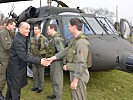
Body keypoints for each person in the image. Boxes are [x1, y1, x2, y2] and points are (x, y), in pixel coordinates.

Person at [47, 18, 92, 100]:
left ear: (74, 27)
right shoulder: (75, 40)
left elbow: (81, 63)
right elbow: (65, 51)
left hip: (79, 76)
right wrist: (52, 58)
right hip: (74, 73)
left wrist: (75, 80)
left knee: (78, 97)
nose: (68, 28)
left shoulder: (81, 42)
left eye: (69, 26)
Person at [5, 22, 48, 100]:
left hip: (16, 69)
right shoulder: (18, 40)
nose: (29, 31)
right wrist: (40, 61)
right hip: (15, 71)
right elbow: (24, 56)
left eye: (29, 29)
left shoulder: (22, 38)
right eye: (26, 29)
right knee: (15, 93)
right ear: (20, 29)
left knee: (10, 92)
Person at [46, 24, 64, 100]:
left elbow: (62, 52)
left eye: (48, 29)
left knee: (57, 80)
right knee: (53, 78)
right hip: (53, 61)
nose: (47, 31)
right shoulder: (53, 38)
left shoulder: (57, 39)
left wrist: (54, 58)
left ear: (53, 29)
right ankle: (55, 94)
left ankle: (58, 98)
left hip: (57, 62)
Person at [0, 19, 16, 100]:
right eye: (13, 25)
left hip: (8, 57)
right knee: (2, 76)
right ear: (8, 24)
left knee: (8, 76)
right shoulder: (3, 32)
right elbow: (7, 46)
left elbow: (14, 38)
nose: (14, 27)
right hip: (3, 58)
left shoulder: (9, 32)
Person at [30, 24, 48, 93]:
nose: (34, 30)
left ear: (39, 30)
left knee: (41, 73)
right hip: (34, 59)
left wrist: (46, 59)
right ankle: (35, 86)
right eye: (34, 29)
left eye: (36, 29)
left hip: (41, 59)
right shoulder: (32, 39)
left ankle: (40, 87)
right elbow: (29, 48)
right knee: (35, 73)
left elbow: (47, 49)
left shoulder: (44, 39)